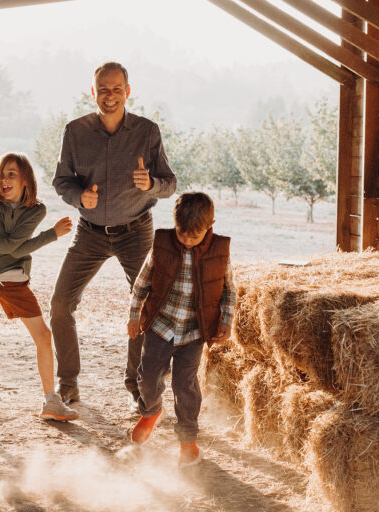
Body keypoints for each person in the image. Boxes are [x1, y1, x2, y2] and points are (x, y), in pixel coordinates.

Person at [50, 61, 177, 407]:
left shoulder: (147, 132)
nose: (109, 96)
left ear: (127, 92)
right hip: (89, 232)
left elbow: (170, 183)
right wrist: (79, 197)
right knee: (60, 304)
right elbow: (61, 180)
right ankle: (68, 383)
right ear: (93, 92)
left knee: (148, 305)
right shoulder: (75, 132)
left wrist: (150, 184)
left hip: (136, 231)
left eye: (116, 89)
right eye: (103, 89)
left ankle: (138, 384)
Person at [126, 192, 236, 468]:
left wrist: (226, 321)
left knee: (184, 385)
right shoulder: (162, 244)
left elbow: (229, 291)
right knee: (147, 377)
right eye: (181, 234)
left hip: (194, 332)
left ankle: (188, 441)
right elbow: (141, 284)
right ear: (174, 224)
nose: (186, 240)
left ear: (210, 226)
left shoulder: (219, 252)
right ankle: (151, 411)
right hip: (160, 326)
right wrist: (133, 316)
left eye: (194, 236)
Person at [0, 152, 78, 421]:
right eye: (1, 174)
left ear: (25, 179)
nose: (4, 180)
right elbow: (7, 246)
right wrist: (51, 235)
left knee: (43, 336)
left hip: (15, 280)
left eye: (11, 174)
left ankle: (51, 402)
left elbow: (8, 245)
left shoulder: (36, 210)